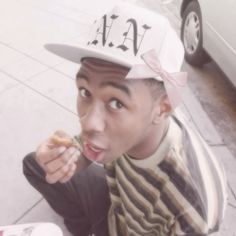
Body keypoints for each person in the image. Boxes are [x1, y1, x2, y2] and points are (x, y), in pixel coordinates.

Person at [23, 3, 227, 236]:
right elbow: (83, 151)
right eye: (84, 91)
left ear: (163, 109)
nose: (89, 123)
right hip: (113, 209)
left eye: (116, 103)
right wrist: (64, 160)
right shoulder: (142, 113)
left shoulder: (192, 200)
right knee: (35, 165)